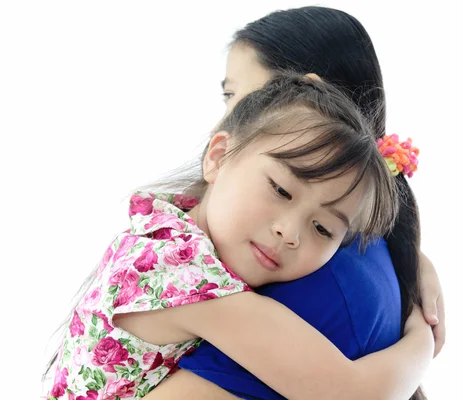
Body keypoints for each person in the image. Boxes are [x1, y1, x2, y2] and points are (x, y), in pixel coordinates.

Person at [44, 73, 431, 400]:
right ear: (218, 157)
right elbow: (350, 393)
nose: (289, 232)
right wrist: (422, 337)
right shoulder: (188, 280)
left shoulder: (167, 222)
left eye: (323, 228)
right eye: (280, 190)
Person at [145, 6, 442, 400]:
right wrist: (419, 329)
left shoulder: (197, 278)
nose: (223, 123)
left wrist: (421, 333)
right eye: (227, 98)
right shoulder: (182, 255)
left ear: (303, 93)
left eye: (239, 97)